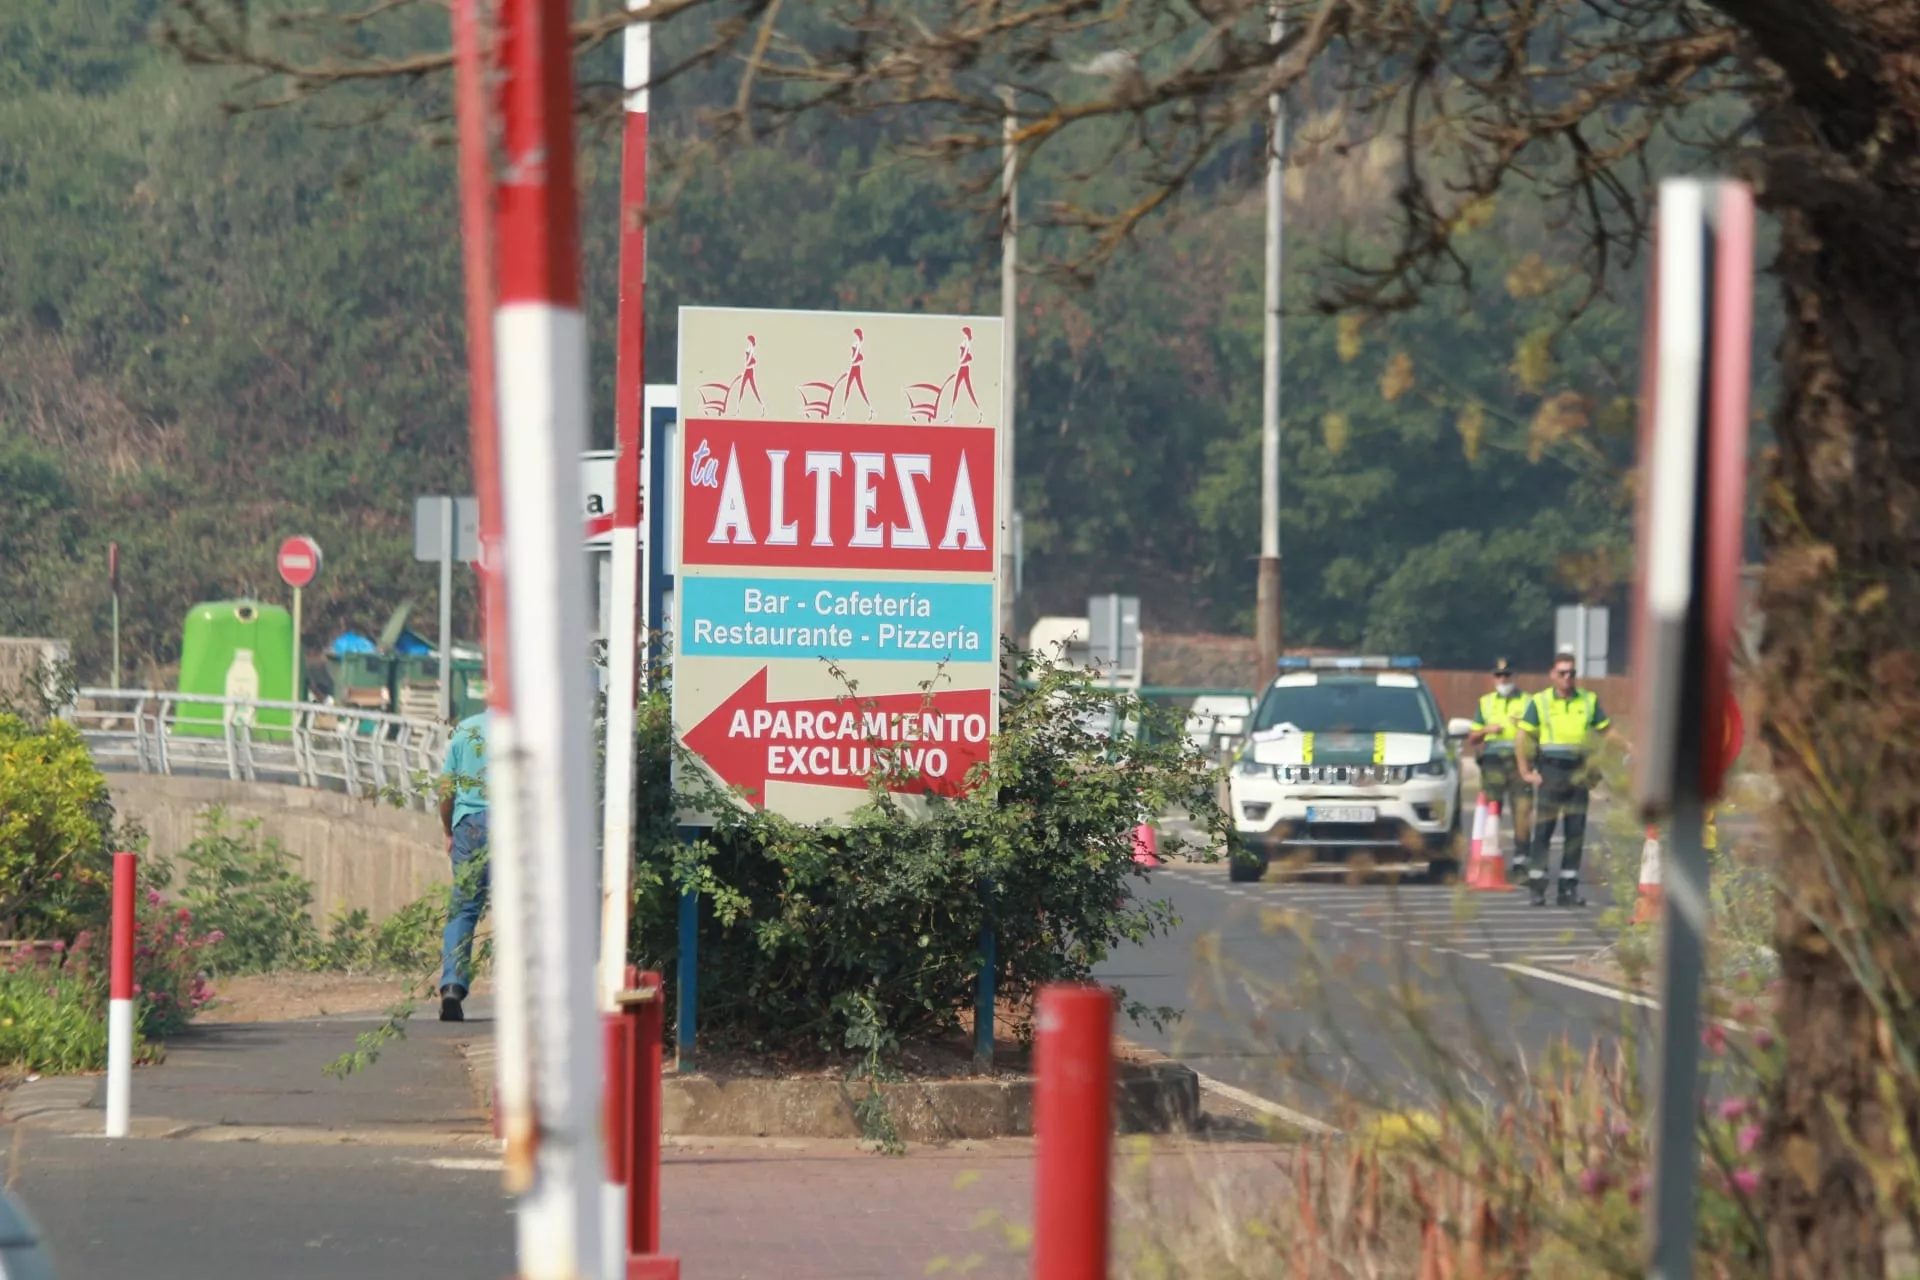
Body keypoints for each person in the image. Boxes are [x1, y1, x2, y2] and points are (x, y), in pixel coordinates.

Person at [1516, 647, 1611, 907]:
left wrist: (1628, 750)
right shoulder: (1540, 701)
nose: (1568, 677)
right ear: (1552, 675)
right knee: (1544, 830)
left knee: (1575, 832)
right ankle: (1537, 887)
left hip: (1578, 773)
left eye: (1572, 673)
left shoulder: (1588, 700)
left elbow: (1606, 732)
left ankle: (1568, 889)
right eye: (1562, 673)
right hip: (1551, 772)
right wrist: (1525, 771)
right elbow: (1522, 737)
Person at [437, 709, 490, 1022]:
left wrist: (447, 829)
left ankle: (453, 986)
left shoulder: (467, 731)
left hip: (469, 828)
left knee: (464, 908)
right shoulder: (529, 729)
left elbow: (447, 791)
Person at [1464, 658, 1531, 867]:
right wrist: (1486, 730)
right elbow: (1472, 738)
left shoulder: (1528, 701)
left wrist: (1524, 726)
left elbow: (1541, 732)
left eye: (1507, 675)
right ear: (1494, 678)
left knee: (1522, 810)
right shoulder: (1486, 702)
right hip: (1493, 761)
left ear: (1514, 676)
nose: (1503, 679)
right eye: (1499, 675)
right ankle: (1489, 855)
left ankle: (1521, 860)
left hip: (1519, 760)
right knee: (1492, 809)